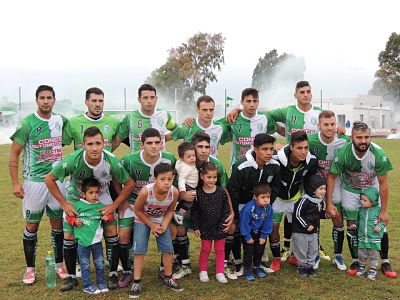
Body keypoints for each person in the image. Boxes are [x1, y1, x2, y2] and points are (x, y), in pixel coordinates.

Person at [45, 126, 134, 291]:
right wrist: (64, 204)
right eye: (90, 144)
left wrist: (114, 205)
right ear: (82, 145)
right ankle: (72, 277)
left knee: (111, 233)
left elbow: (129, 183)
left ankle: (113, 273)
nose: (95, 148)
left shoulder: (111, 161)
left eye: (98, 143)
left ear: (103, 144)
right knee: (70, 236)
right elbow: (49, 179)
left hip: (102, 198)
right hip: (74, 199)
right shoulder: (73, 160)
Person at [8, 85, 68, 284]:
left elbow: (75, 138)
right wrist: (16, 183)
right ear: (36, 100)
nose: (45, 101)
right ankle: (30, 270)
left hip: (57, 181)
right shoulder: (27, 123)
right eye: (42, 98)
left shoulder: (61, 121)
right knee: (32, 225)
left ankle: (60, 265)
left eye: (49, 97)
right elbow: (14, 154)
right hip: (34, 182)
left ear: (54, 99)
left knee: (58, 223)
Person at [326, 121, 397, 278]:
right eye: (359, 137)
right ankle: (356, 260)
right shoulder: (344, 153)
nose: (363, 141)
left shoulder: (378, 154)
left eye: (366, 137)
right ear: (352, 137)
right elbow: (331, 176)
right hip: (350, 189)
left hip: (371, 190)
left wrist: (384, 211)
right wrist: (329, 202)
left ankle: (384, 261)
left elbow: (384, 183)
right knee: (352, 225)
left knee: (379, 225)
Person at [172, 132, 234, 280]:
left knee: (230, 226)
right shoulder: (183, 165)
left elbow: (224, 189)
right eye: (200, 147)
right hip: (188, 205)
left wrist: (231, 212)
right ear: (193, 148)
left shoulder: (215, 164)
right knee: (178, 227)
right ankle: (184, 265)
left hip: (211, 207)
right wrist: (182, 196)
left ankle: (224, 265)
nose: (204, 150)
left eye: (207, 147)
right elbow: (173, 190)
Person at [120, 128, 176, 283]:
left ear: (161, 144)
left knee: (172, 231)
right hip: (133, 202)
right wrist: (123, 200)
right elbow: (117, 178)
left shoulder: (169, 159)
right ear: (142, 144)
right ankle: (127, 270)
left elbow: (173, 184)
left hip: (158, 205)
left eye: (157, 142)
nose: (154, 146)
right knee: (124, 234)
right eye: (149, 143)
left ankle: (164, 269)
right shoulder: (129, 159)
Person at [228, 133, 280, 276]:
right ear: (255, 149)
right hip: (242, 204)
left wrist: (266, 204)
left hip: (262, 204)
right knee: (240, 231)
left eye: (271, 149)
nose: (269, 153)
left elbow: (275, 187)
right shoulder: (241, 166)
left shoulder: (275, 165)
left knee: (261, 230)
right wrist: (238, 212)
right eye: (264, 149)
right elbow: (233, 189)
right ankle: (239, 263)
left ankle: (258, 262)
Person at [130, 163, 183, 299]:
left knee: (168, 249)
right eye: (162, 179)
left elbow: (170, 210)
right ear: (155, 179)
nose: (166, 183)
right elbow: (137, 210)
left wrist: (164, 224)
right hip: (143, 219)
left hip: (160, 221)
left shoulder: (174, 192)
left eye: (169, 179)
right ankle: (136, 282)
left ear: (173, 178)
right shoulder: (146, 191)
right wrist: (151, 225)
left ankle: (168, 278)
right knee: (139, 251)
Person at [269, 130, 317, 272]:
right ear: (291, 147)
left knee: (300, 228)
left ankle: (296, 256)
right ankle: (276, 258)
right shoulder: (276, 159)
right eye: (299, 148)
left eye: (306, 148)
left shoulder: (311, 161)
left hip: (295, 199)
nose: (303, 152)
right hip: (277, 199)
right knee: (274, 228)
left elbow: (310, 181)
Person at [308, 110, 350, 270]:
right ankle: (315, 254)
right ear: (319, 126)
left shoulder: (344, 140)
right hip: (314, 187)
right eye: (326, 124)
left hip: (337, 184)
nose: (329, 128)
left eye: (332, 124)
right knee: (313, 219)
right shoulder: (310, 140)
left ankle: (338, 256)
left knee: (337, 217)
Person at [66, 178, 114, 294]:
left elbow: (110, 216)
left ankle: (101, 283)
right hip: (83, 242)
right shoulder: (78, 205)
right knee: (85, 265)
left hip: (97, 242)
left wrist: (107, 218)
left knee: (99, 264)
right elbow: (69, 217)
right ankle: (87, 286)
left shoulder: (101, 206)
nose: (94, 195)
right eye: (91, 193)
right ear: (83, 194)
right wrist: (74, 221)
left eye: (96, 192)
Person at [192, 162, 230, 284]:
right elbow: (195, 212)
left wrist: (224, 224)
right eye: (209, 177)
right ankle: (203, 271)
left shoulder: (221, 192)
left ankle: (220, 272)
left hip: (220, 227)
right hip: (205, 227)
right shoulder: (198, 193)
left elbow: (226, 209)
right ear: (202, 176)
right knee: (205, 249)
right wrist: (196, 226)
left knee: (220, 250)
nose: (212, 180)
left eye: (214, 177)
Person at [220, 88, 279, 166]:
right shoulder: (233, 118)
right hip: (237, 167)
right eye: (248, 101)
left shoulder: (265, 118)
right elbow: (213, 126)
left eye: (255, 101)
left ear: (258, 102)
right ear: (242, 102)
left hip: (259, 166)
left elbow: (281, 130)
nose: (252, 105)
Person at [114, 84, 177, 152]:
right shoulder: (130, 117)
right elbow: (116, 141)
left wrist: (163, 138)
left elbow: (177, 130)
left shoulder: (164, 114)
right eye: (145, 98)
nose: (149, 101)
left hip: (160, 161)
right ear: (139, 99)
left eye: (152, 97)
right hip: (137, 161)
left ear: (156, 98)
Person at [62, 87, 120, 152]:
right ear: (86, 102)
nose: (98, 104)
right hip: (82, 162)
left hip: (105, 162)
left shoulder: (114, 122)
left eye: (101, 101)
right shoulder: (73, 122)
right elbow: (58, 144)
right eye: (94, 101)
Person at [292, 175, 326, 277]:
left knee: (313, 249)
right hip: (300, 231)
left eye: (325, 188)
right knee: (301, 249)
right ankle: (302, 266)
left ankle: (310, 266)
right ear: (312, 189)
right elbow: (297, 214)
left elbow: (317, 215)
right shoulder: (304, 200)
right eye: (321, 189)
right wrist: (306, 225)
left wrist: (326, 215)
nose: (324, 191)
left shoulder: (320, 202)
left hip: (313, 231)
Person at [239, 183, 273, 281]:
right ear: (255, 197)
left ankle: (257, 266)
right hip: (249, 232)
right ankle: (248, 268)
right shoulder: (249, 208)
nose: (266, 200)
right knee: (249, 251)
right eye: (263, 197)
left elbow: (268, 222)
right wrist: (247, 236)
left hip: (260, 232)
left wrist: (264, 235)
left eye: (268, 197)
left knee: (259, 250)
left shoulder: (268, 208)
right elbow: (244, 222)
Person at [356, 187, 385, 281]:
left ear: (372, 201)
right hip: (362, 237)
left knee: (373, 255)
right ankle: (362, 267)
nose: (361, 202)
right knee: (362, 254)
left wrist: (379, 226)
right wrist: (355, 225)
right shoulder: (361, 210)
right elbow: (358, 220)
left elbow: (383, 221)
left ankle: (373, 269)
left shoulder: (378, 210)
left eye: (365, 200)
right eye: (361, 199)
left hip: (374, 238)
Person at [174, 142, 199, 222]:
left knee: (189, 200)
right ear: (182, 158)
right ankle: (180, 213)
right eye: (188, 157)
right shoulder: (186, 168)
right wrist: (182, 190)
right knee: (190, 200)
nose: (192, 158)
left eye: (193, 156)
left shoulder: (182, 163)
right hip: (188, 186)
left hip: (189, 185)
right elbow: (181, 178)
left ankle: (178, 208)